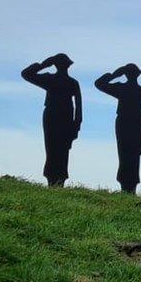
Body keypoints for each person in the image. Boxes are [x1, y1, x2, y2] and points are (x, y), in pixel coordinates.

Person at [21, 53, 82, 187]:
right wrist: (76, 125)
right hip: (56, 118)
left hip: (59, 118)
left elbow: (78, 107)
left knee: (56, 149)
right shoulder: (65, 81)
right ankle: (54, 179)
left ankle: (56, 179)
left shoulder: (58, 80)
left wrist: (43, 65)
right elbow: (79, 108)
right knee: (55, 149)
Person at [94, 63, 141, 194]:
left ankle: (130, 187)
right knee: (126, 155)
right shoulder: (133, 90)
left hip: (132, 125)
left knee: (130, 156)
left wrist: (115, 75)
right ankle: (126, 186)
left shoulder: (136, 90)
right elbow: (99, 84)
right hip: (126, 124)